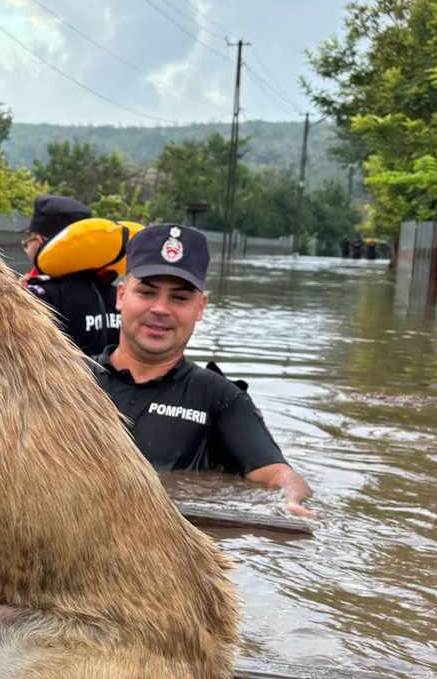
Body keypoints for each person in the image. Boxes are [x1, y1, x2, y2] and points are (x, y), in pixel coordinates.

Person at [92, 223, 315, 517]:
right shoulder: (69, 377)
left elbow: (277, 475)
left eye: (180, 298)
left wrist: (291, 500)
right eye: (146, 292)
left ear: (201, 307)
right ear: (120, 296)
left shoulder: (219, 397)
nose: (160, 308)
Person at [20, 194, 115, 356]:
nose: (27, 247)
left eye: (29, 240)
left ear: (41, 241)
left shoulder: (41, 295)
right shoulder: (116, 294)